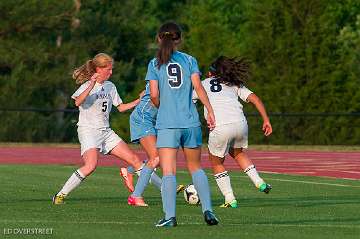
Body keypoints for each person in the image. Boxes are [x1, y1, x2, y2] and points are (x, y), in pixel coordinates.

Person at [147, 22, 219, 227]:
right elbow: (198, 87)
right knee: (196, 168)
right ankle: (208, 211)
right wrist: (210, 111)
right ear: (179, 39)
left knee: (169, 171)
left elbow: (153, 94)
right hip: (190, 122)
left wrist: (163, 107)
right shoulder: (189, 60)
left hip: (168, 124)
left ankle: (170, 217)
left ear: (159, 38)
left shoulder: (155, 63)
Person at [52, 53, 144, 204]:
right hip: (88, 130)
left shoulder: (110, 86)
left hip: (106, 132)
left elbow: (120, 108)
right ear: (98, 69)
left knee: (135, 160)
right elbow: (78, 102)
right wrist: (91, 85)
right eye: (108, 69)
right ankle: (60, 195)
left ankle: (166, 189)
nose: (111, 72)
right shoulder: (86, 86)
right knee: (90, 166)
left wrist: (139, 100)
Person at [193, 56, 272, 208]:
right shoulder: (234, 83)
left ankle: (230, 199)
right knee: (238, 153)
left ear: (210, 74)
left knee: (216, 162)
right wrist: (266, 119)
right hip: (240, 123)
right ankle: (259, 182)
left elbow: (188, 102)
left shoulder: (202, 84)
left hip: (220, 125)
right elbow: (255, 98)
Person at [124, 81, 186, 207]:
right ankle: (135, 196)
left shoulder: (170, 77)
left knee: (164, 154)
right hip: (142, 119)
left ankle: (131, 169)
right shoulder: (162, 75)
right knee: (157, 157)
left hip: (153, 120)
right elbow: (153, 98)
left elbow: (144, 93)